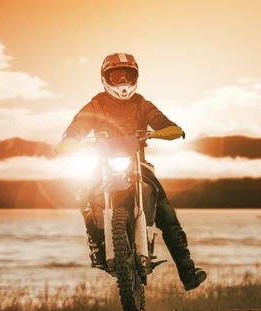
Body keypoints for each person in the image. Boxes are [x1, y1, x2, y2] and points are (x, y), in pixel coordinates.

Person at [56, 52, 207, 291]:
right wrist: (70, 138)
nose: (123, 82)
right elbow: (79, 125)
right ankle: (97, 248)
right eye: (116, 76)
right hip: (104, 164)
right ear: (106, 78)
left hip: (137, 164)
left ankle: (188, 272)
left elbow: (163, 122)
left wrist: (168, 130)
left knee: (167, 214)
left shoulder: (142, 104)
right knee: (85, 200)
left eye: (128, 76)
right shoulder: (96, 104)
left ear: (135, 77)